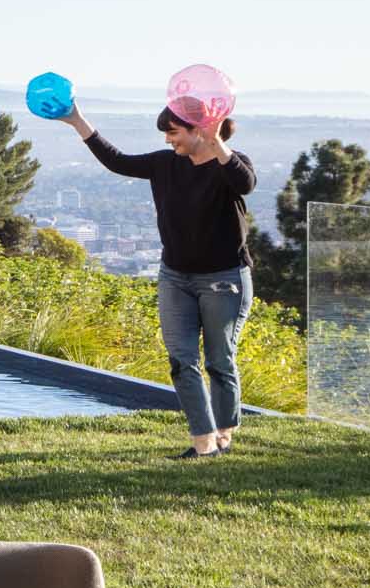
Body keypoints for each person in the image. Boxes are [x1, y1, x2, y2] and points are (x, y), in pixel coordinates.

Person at [60, 99, 258, 458]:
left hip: (224, 278)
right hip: (175, 277)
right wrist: (77, 121)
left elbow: (245, 184)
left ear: (198, 130)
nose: (169, 140)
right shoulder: (165, 164)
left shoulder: (231, 163)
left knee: (219, 359)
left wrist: (219, 144)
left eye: (173, 132)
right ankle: (204, 442)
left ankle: (225, 433)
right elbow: (117, 161)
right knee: (182, 360)